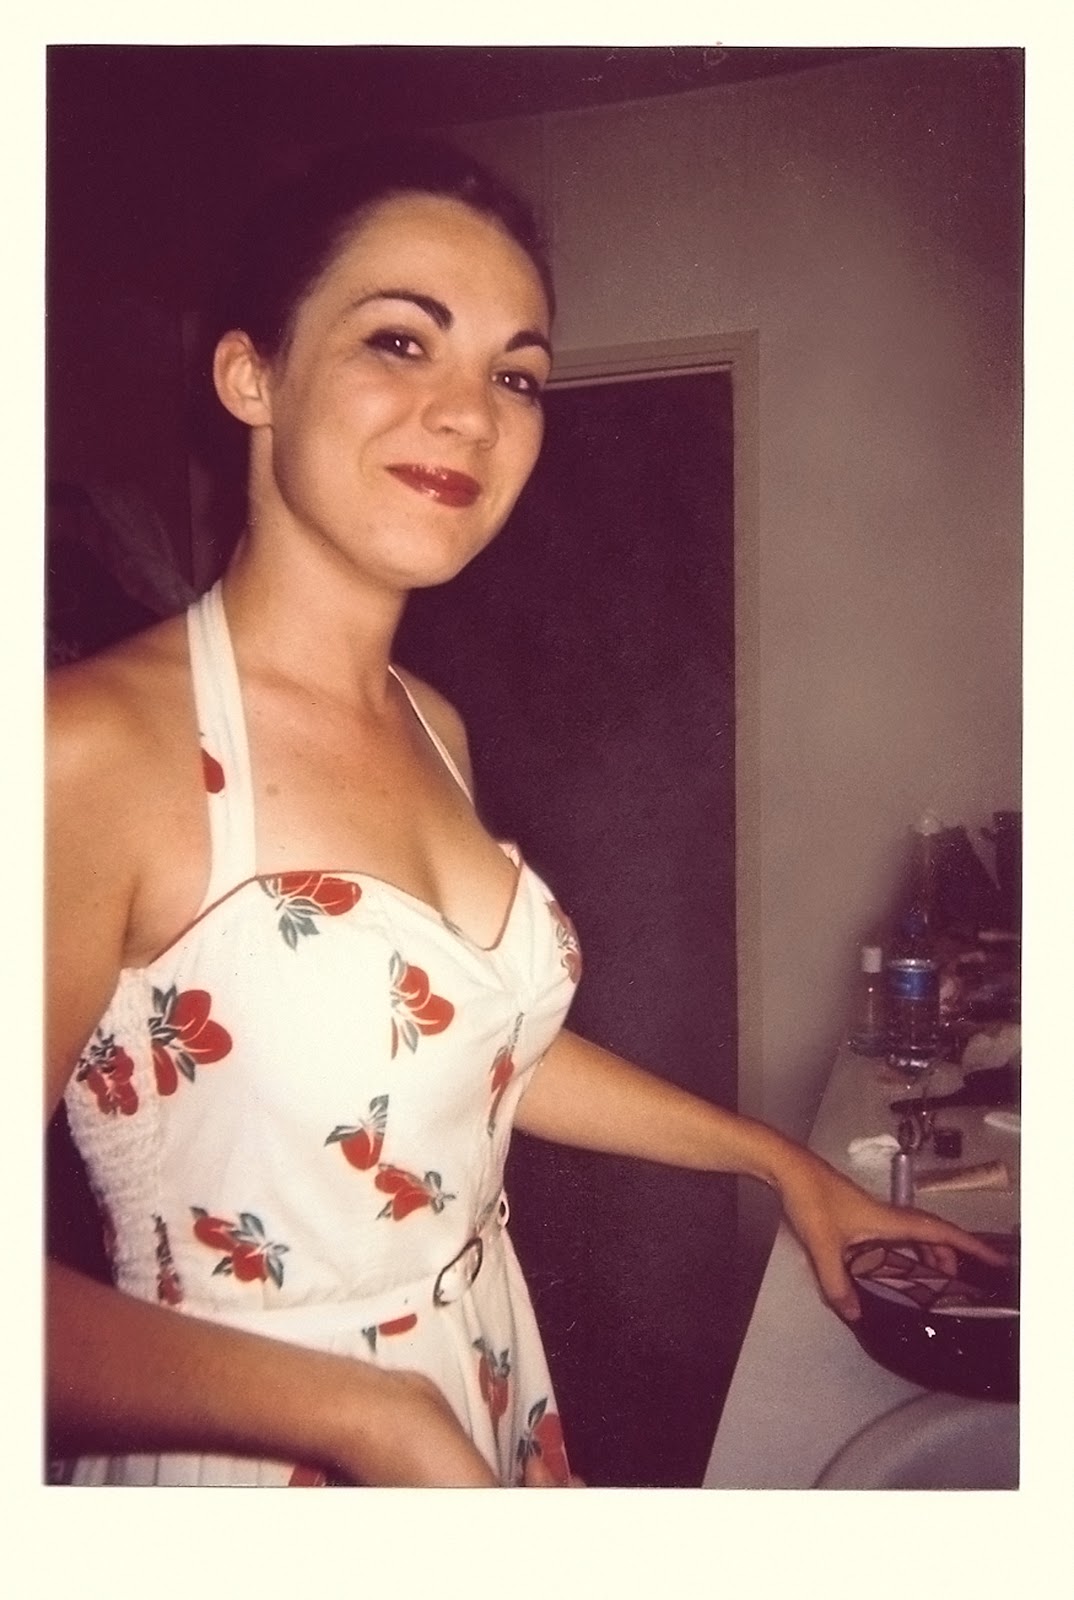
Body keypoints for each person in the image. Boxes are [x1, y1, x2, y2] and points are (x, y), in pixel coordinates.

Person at [46, 137, 1001, 1488]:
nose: (470, 416)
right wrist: (369, 1419)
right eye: (399, 342)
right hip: (259, 1459)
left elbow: (471, 1053)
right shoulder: (89, 747)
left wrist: (781, 1165)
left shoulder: (432, 725)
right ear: (252, 375)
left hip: (482, 1379)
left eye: (515, 375)